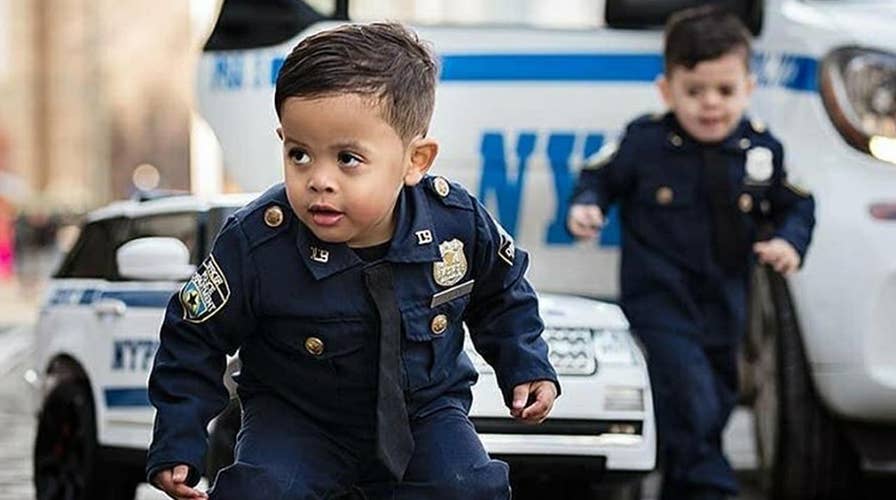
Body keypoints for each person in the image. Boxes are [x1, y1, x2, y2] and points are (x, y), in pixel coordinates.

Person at [147, 22, 559, 500]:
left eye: (347, 159)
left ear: (415, 161)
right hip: (296, 420)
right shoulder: (257, 242)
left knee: (468, 488)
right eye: (299, 154)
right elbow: (193, 336)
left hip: (425, 414)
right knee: (261, 491)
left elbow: (503, 294)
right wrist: (178, 439)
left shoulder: (457, 223)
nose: (319, 180)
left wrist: (526, 365)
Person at [567, 6, 815, 500]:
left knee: (715, 398)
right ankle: (712, 487)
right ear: (667, 90)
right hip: (659, 299)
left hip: (725, 305)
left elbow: (798, 204)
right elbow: (598, 178)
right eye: (694, 91)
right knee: (687, 390)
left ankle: (683, 483)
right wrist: (587, 207)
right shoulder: (645, 142)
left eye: (725, 91)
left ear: (748, 87)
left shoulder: (759, 151)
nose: (710, 105)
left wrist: (789, 241)